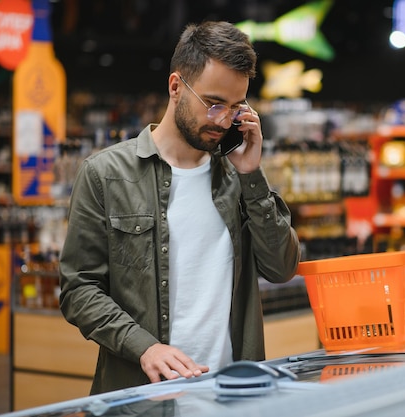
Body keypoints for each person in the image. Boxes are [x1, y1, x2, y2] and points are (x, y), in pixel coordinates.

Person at [59, 21, 301, 395]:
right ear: (175, 87)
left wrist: (253, 176)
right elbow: (79, 289)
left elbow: (282, 267)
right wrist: (144, 347)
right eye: (214, 103)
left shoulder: (240, 177)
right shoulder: (105, 174)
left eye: (236, 108)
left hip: (231, 394)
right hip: (141, 396)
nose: (223, 120)